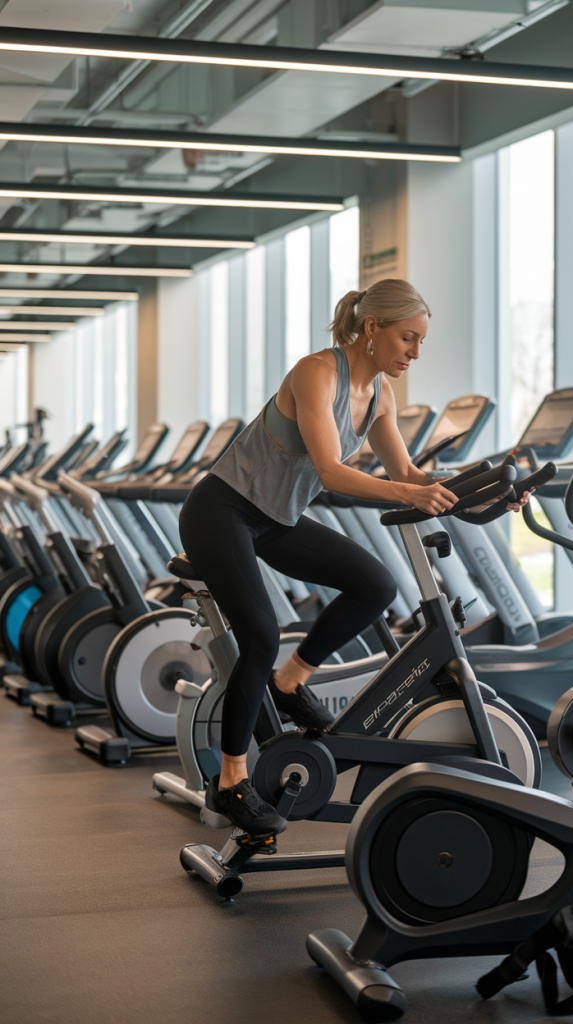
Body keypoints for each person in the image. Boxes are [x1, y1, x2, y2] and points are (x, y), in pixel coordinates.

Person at [179, 278, 529, 838]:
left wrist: (491, 492)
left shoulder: (382, 397)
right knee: (261, 636)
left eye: (420, 341)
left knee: (375, 585)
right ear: (372, 328)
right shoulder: (317, 372)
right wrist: (411, 495)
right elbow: (330, 472)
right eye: (407, 338)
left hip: (275, 518)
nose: (415, 353)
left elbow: (410, 477)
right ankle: (230, 782)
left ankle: (290, 683)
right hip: (220, 511)